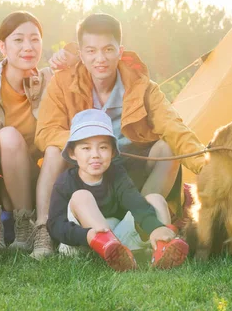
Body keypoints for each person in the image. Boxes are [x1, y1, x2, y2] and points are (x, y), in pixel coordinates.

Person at [35, 13, 207, 256]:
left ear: (120, 51)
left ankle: (143, 224)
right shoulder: (63, 82)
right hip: (86, 172)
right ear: (82, 55)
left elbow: (174, 126)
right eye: (91, 51)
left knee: (168, 148)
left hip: (130, 169)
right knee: (53, 151)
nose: (100, 59)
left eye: (107, 50)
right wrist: (89, 145)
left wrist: (204, 164)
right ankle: (43, 229)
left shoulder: (143, 87)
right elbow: (45, 132)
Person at [0, 11, 77, 255]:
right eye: (18, 40)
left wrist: (72, 55)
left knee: (9, 136)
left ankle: (25, 224)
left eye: (35, 39)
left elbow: (94, 66)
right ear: (3, 46)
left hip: (31, 179)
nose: (28, 47)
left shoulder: (51, 80)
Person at [47, 109, 189, 271]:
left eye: (103, 148)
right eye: (86, 149)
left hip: (118, 238)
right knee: (81, 196)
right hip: (82, 242)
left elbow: (136, 203)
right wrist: (86, 235)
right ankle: (108, 244)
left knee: (155, 199)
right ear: (72, 153)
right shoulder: (66, 182)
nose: (95, 155)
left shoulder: (117, 174)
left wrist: (154, 226)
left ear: (113, 152)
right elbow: (55, 224)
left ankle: (162, 248)